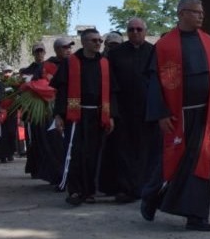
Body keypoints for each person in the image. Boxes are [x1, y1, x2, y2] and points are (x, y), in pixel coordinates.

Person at [140, 0, 210, 232]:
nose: (201, 16)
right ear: (181, 14)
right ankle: (151, 196)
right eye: (195, 12)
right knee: (172, 161)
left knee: (202, 162)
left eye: (202, 12)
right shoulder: (165, 45)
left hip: (205, 114)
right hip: (177, 115)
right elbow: (155, 83)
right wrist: (160, 113)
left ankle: (196, 216)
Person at [51, 29, 116, 205]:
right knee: (74, 153)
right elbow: (61, 91)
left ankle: (89, 192)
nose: (98, 43)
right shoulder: (70, 63)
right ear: (84, 42)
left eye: (100, 41)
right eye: (94, 40)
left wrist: (111, 116)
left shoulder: (104, 63)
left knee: (92, 155)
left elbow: (111, 92)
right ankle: (74, 191)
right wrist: (58, 115)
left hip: (97, 114)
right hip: (76, 114)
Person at [106, 17, 155, 204]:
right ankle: (125, 188)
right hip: (123, 110)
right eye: (131, 29)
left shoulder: (153, 52)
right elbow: (109, 83)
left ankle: (144, 188)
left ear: (145, 31)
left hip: (146, 110)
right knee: (124, 151)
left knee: (145, 151)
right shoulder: (116, 53)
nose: (135, 32)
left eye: (139, 29)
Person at [22, 39, 71, 186]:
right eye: (65, 47)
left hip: (72, 108)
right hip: (51, 110)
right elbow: (36, 87)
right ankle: (57, 175)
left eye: (69, 47)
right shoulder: (46, 66)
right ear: (56, 50)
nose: (68, 50)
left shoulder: (75, 63)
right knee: (54, 145)